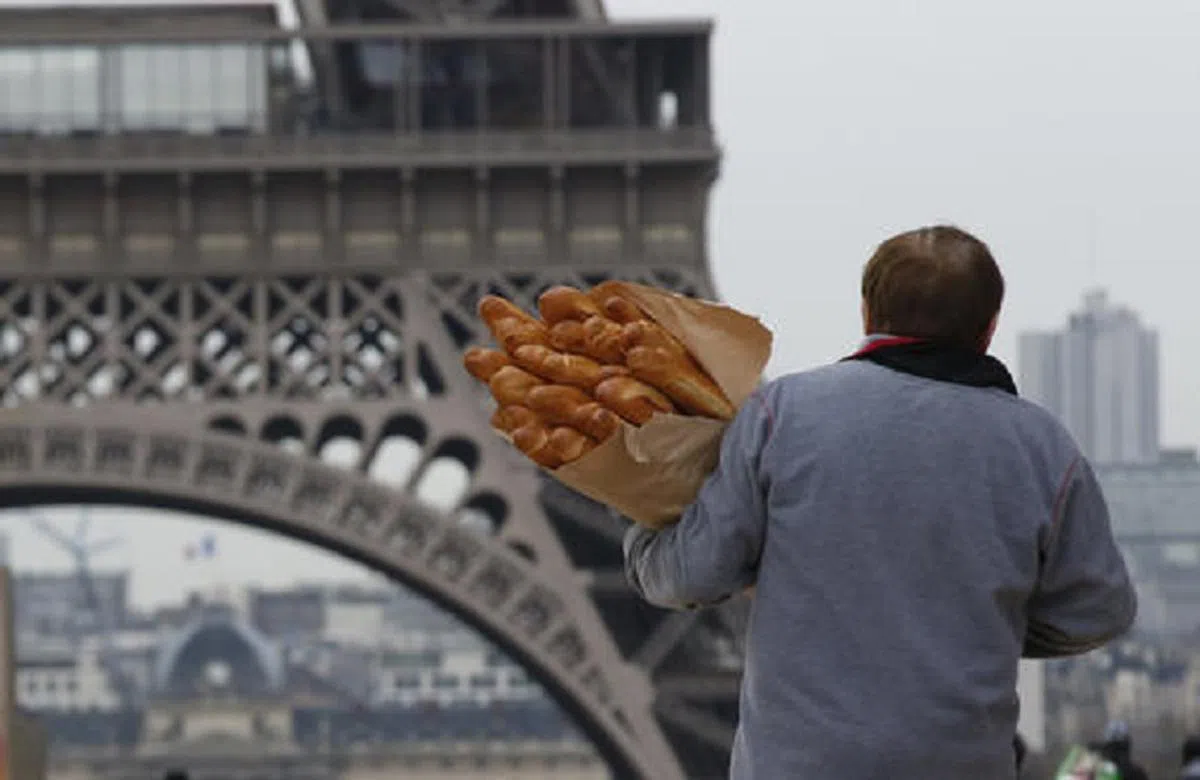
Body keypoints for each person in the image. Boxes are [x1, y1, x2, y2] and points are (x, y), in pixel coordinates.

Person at [622, 225, 1138, 779]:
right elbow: (1101, 610)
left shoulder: (783, 415)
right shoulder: (1042, 447)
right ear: (989, 328)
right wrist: (978, 623)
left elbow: (692, 576)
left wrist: (640, 528)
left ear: (867, 313)